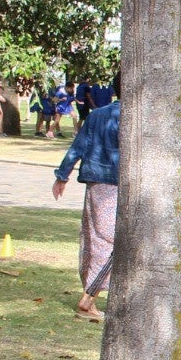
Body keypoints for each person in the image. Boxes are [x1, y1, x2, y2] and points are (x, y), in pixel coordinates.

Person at [52, 97, 121, 322]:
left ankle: (91, 295)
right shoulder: (133, 118)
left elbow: (78, 146)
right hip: (114, 184)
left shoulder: (96, 114)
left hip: (94, 182)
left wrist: (63, 175)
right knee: (109, 241)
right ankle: (88, 297)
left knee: (94, 237)